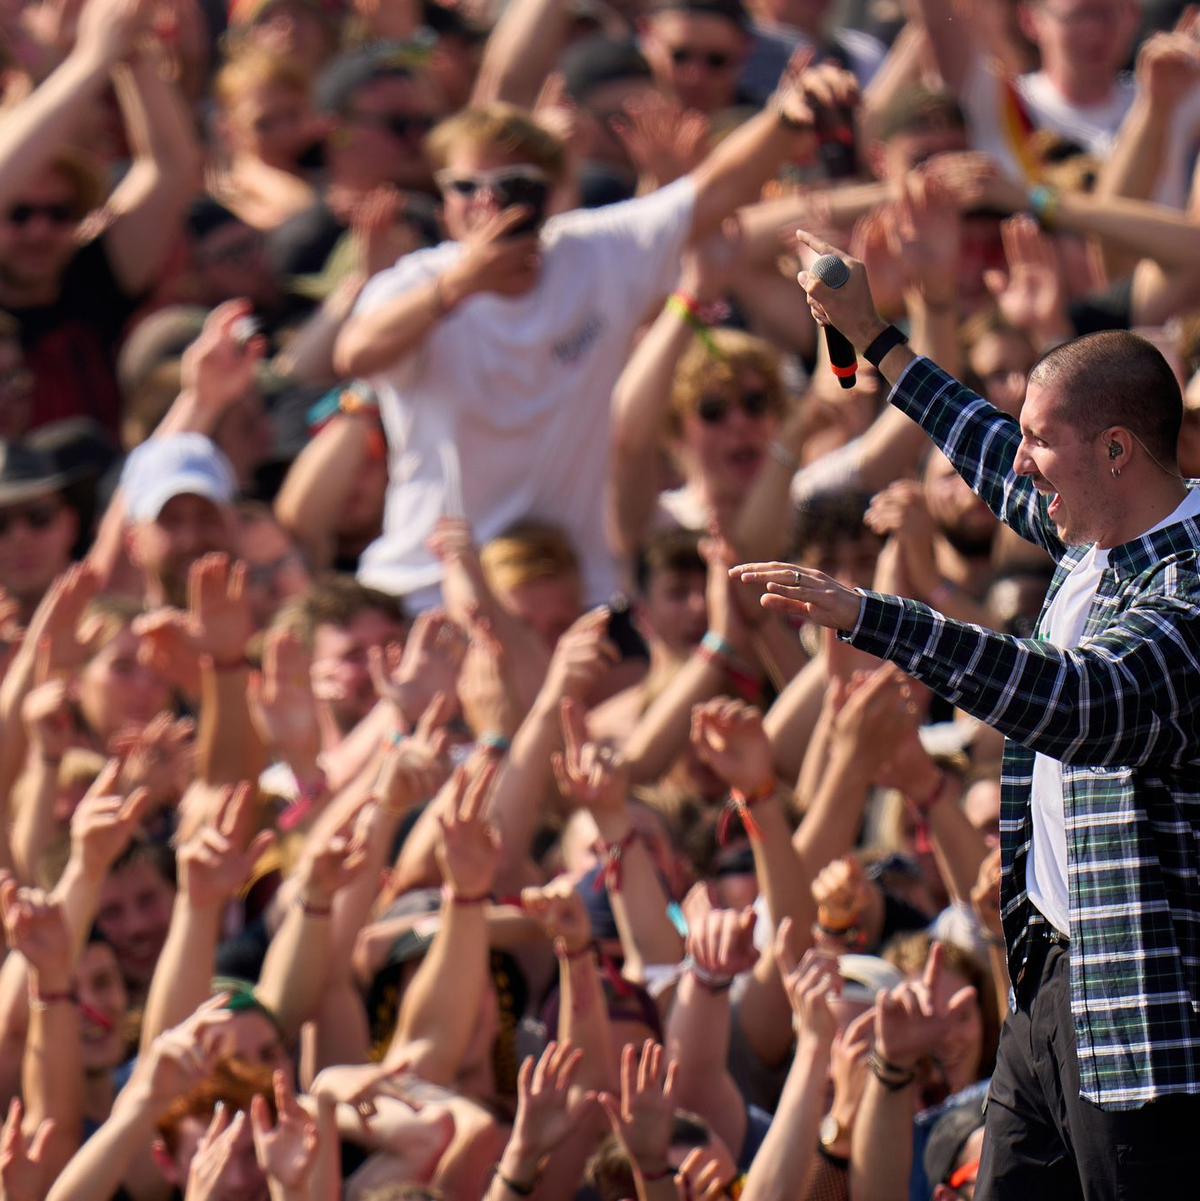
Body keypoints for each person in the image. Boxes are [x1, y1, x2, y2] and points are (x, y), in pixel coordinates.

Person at [733, 231, 1200, 1196]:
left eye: (1044, 440)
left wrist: (874, 616)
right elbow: (988, 452)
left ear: (1117, 450)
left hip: (1145, 1000)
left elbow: (1075, 699)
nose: (1022, 464)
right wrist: (875, 336)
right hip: (1051, 983)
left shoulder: (1189, 590)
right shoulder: (1101, 524)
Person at [335, 62, 858, 612]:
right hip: (430, 592)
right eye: (464, 186)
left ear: (552, 191)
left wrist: (787, 118)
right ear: (441, 197)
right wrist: (461, 285)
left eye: (512, 185)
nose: (484, 203)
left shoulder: (591, 254)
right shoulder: (416, 282)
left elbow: (711, 193)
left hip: (577, 597)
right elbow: (355, 354)